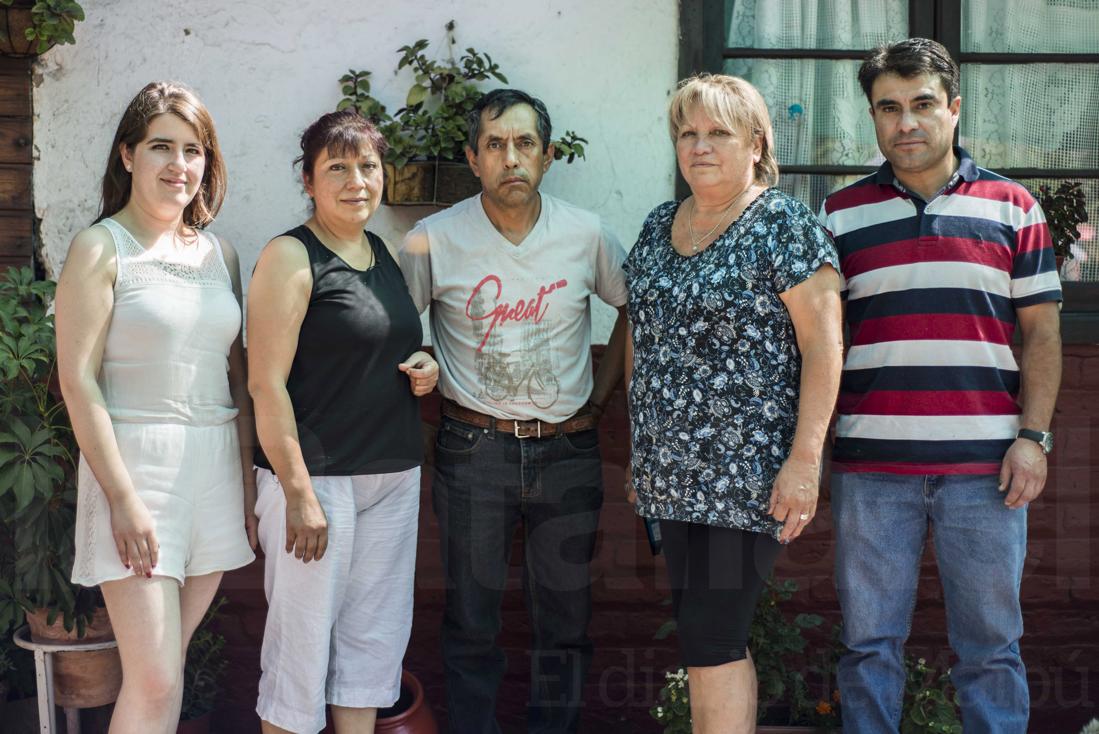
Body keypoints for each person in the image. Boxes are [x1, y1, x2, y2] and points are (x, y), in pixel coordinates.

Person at [819, 38, 1062, 734]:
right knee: (867, 648)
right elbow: (818, 343)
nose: (905, 123)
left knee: (990, 649)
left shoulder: (1013, 207)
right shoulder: (837, 215)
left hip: (984, 471)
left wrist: (1031, 439)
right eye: (887, 108)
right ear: (871, 117)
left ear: (953, 108)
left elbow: (1042, 336)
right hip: (871, 470)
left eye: (922, 104)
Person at [399, 88, 628, 734]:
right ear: (472, 159)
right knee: (471, 621)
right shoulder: (431, 241)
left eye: (524, 143)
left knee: (565, 621)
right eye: (495, 145)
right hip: (474, 450)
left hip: (568, 450)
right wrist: (421, 363)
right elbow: (392, 326)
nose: (510, 158)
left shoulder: (584, 235)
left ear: (548, 156)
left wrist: (602, 396)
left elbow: (633, 309)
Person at [624, 73, 844, 733]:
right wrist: (642, 455)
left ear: (755, 143)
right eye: (687, 133)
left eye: (718, 132)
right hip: (671, 472)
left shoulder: (781, 222)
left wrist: (804, 459)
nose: (699, 146)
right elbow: (640, 336)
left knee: (711, 634)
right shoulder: (661, 222)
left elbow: (824, 345)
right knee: (705, 634)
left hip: (742, 474)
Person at [56, 81, 256, 733]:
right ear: (126, 156)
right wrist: (121, 496)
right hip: (137, 475)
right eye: (161, 147)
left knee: (163, 676)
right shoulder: (99, 248)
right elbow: (78, 382)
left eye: (194, 150)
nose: (179, 164)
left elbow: (236, 375)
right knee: (154, 677)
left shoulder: (220, 255)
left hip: (214, 472)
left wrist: (248, 480)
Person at [247, 109, 438, 734]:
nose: (357, 180)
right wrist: (297, 492)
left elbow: (386, 344)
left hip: (392, 475)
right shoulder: (290, 255)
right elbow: (264, 381)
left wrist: (423, 367)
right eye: (337, 167)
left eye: (368, 166)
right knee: (299, 659)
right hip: (318, 482)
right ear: (308, 179)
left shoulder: (381, 251)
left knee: (370, 652)